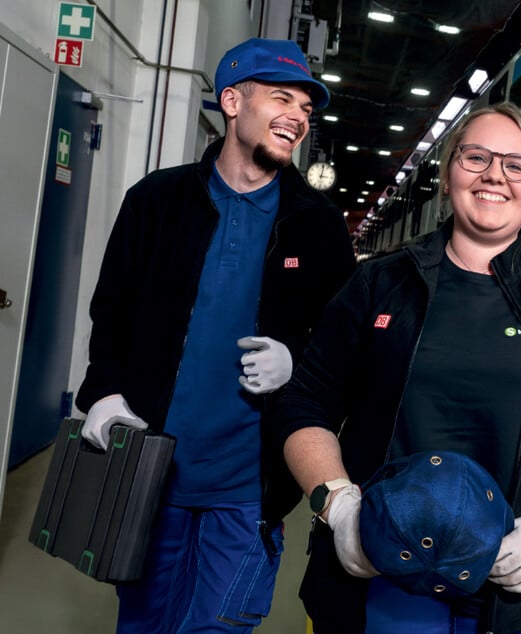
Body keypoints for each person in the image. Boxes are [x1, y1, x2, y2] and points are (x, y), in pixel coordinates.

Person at [274, 101, 521, 633]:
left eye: (517, 165)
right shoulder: (379, 284)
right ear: (447, 177)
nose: (494, 175)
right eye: (476, 157)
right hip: (380, 569)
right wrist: (341, 507)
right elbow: (306, 405)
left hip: (511, 585)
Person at [74, 37, 357, 632]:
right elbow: (112, 311)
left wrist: (295, 359)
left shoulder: (319, 226)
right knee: (143, 625)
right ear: (232, 101)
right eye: (283, 98)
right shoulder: (156, 201)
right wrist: (102, 393)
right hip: (152, 475)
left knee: (219, 628)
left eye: (307, 108)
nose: (299, 117)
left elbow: (341, 348)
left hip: (249, 490)